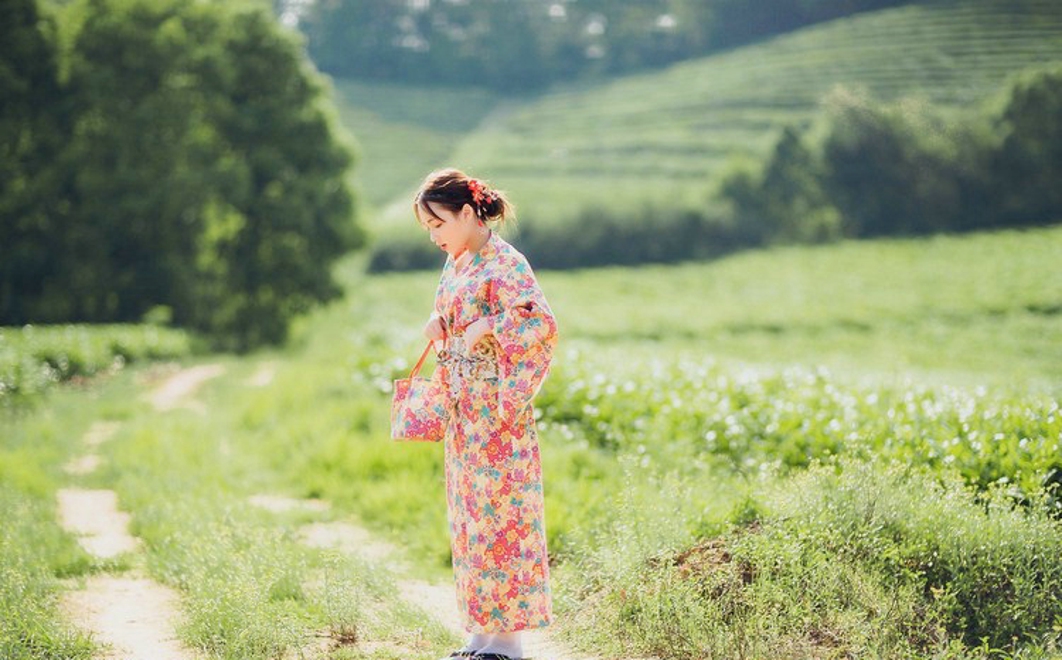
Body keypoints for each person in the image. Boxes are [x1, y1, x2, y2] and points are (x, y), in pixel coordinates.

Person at [414, 168, 558, 660]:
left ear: (468, 213)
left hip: (498, 417)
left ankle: (508, 646)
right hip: (464, 418)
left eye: (438, 224)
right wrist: (442, 324)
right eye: (428, 228)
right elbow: (453, 317)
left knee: (503, 525)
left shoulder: (506, 262)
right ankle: (480, 639)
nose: (434, 236)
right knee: (470, 522)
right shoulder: (458, 264)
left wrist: (489, 327)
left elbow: (539, 322)